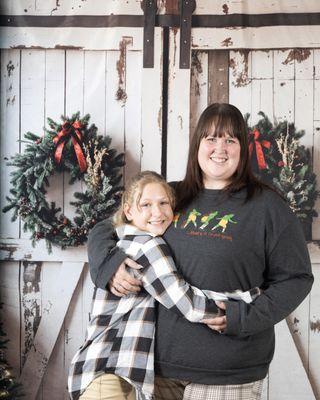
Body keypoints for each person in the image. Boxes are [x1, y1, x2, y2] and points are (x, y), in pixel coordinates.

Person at [87, 103, 314, 400]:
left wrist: (243, 317)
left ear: (242, 149)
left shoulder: (268, 207)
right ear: (197, 146)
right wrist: (109, 263)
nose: (220, 148)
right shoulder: (170, 196)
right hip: (153, 368)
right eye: (211, 138)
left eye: (230, 140)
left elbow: (296, 279)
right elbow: (107, 226)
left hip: (227, 372)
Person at [68, 171, 260, 400]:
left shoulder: (122, 239)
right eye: (146, 205)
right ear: (128, 211)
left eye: (163, 203)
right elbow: (187, 303)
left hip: (111, 370)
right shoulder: (146, 245)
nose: (157, 213)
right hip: (110, 371)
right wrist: (244, 301)